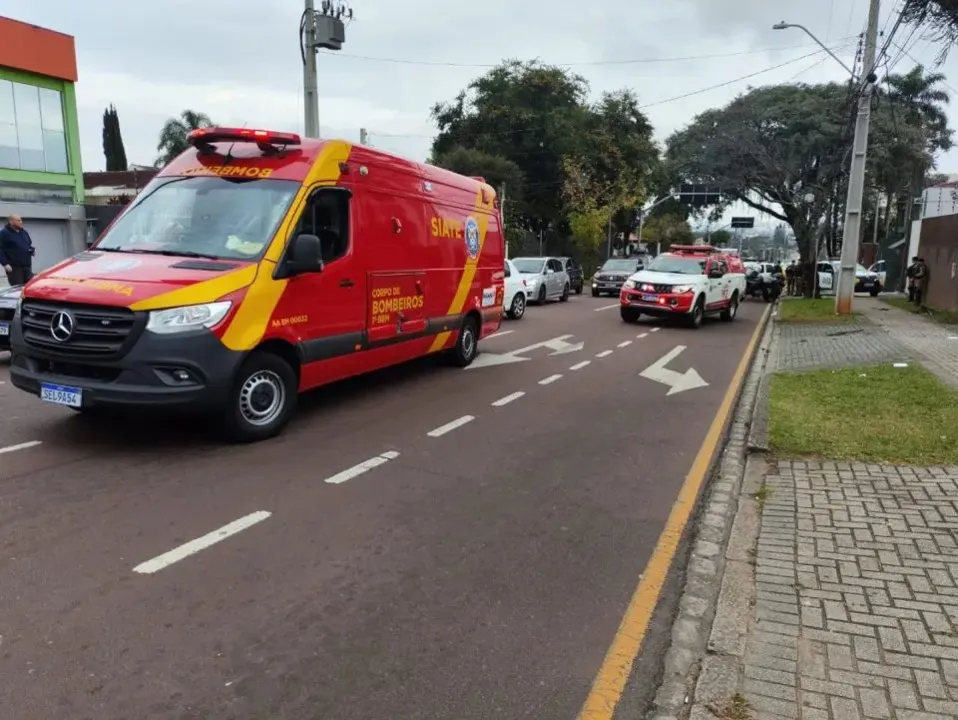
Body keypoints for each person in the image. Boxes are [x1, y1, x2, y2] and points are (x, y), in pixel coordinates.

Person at [0, 214, 35, 286]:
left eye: (21, 220)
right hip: (14, 268)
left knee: (29, 288)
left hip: (27, 267)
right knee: (18, 290)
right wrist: (5, 264)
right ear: (11, 222)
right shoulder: (4, 233)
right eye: (18, 220)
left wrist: (32, 250)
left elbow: (28, 245)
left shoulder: (24, 232)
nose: (21, 222)